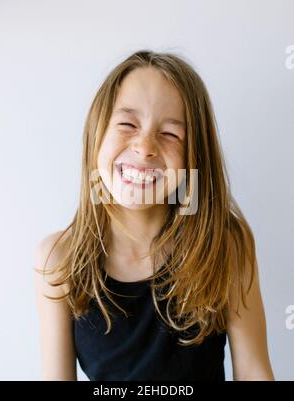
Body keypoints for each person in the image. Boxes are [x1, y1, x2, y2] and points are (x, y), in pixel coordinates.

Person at [34, 49, 275, 381]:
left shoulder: (226, 245)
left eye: (171, 134)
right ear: (96, 136)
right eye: (127, 124)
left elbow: (253, 371)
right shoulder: (57, 259)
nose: (145, 146)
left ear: (195, 156)